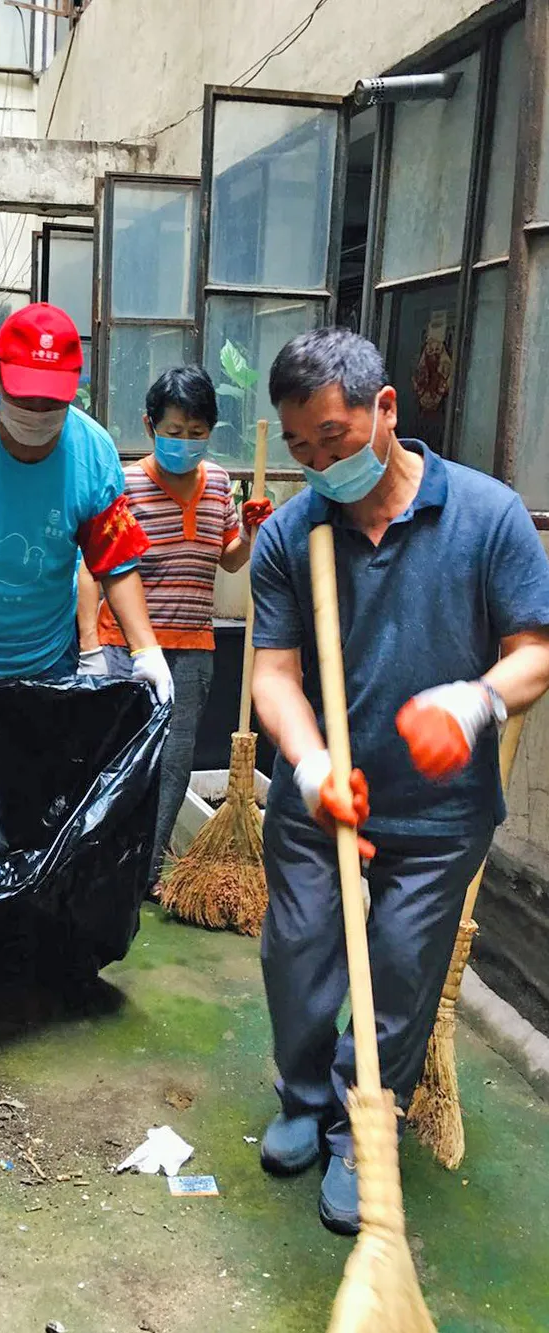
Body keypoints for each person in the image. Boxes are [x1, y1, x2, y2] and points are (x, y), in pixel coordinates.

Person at [249, 327, 549, 1234]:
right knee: (296, 952)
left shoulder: (490, 516)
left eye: (332, 441)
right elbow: (272, 673)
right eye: (300, 448)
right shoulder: (292, 532)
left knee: (401, 973)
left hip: (437, 813)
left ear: (386, 408)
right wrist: (308, 765)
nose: (316, 465)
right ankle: (302, 1095)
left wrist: (473, 702)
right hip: (317, 798)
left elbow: (534, 653)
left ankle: (359, 1127)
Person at [0, 302, 172, 931]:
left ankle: (22, 926)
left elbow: (114, 559)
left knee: (35, 795)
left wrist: (145, 649)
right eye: (27, 399)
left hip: (47, 661)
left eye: (53, 403)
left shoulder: (92, 451)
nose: (39, 416)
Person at [76, 365, 272, 890]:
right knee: (117, 759)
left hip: (193, 649)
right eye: (174, 432)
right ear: (150, 426)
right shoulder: (125, 482)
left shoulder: (220, 486)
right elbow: (96, 565)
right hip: (124, 649)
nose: (185, 442)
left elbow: (229, 560)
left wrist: (250, 534)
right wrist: (90, 646)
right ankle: (103, 865)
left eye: (197, 432)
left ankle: (146, 874)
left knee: (173, 766)